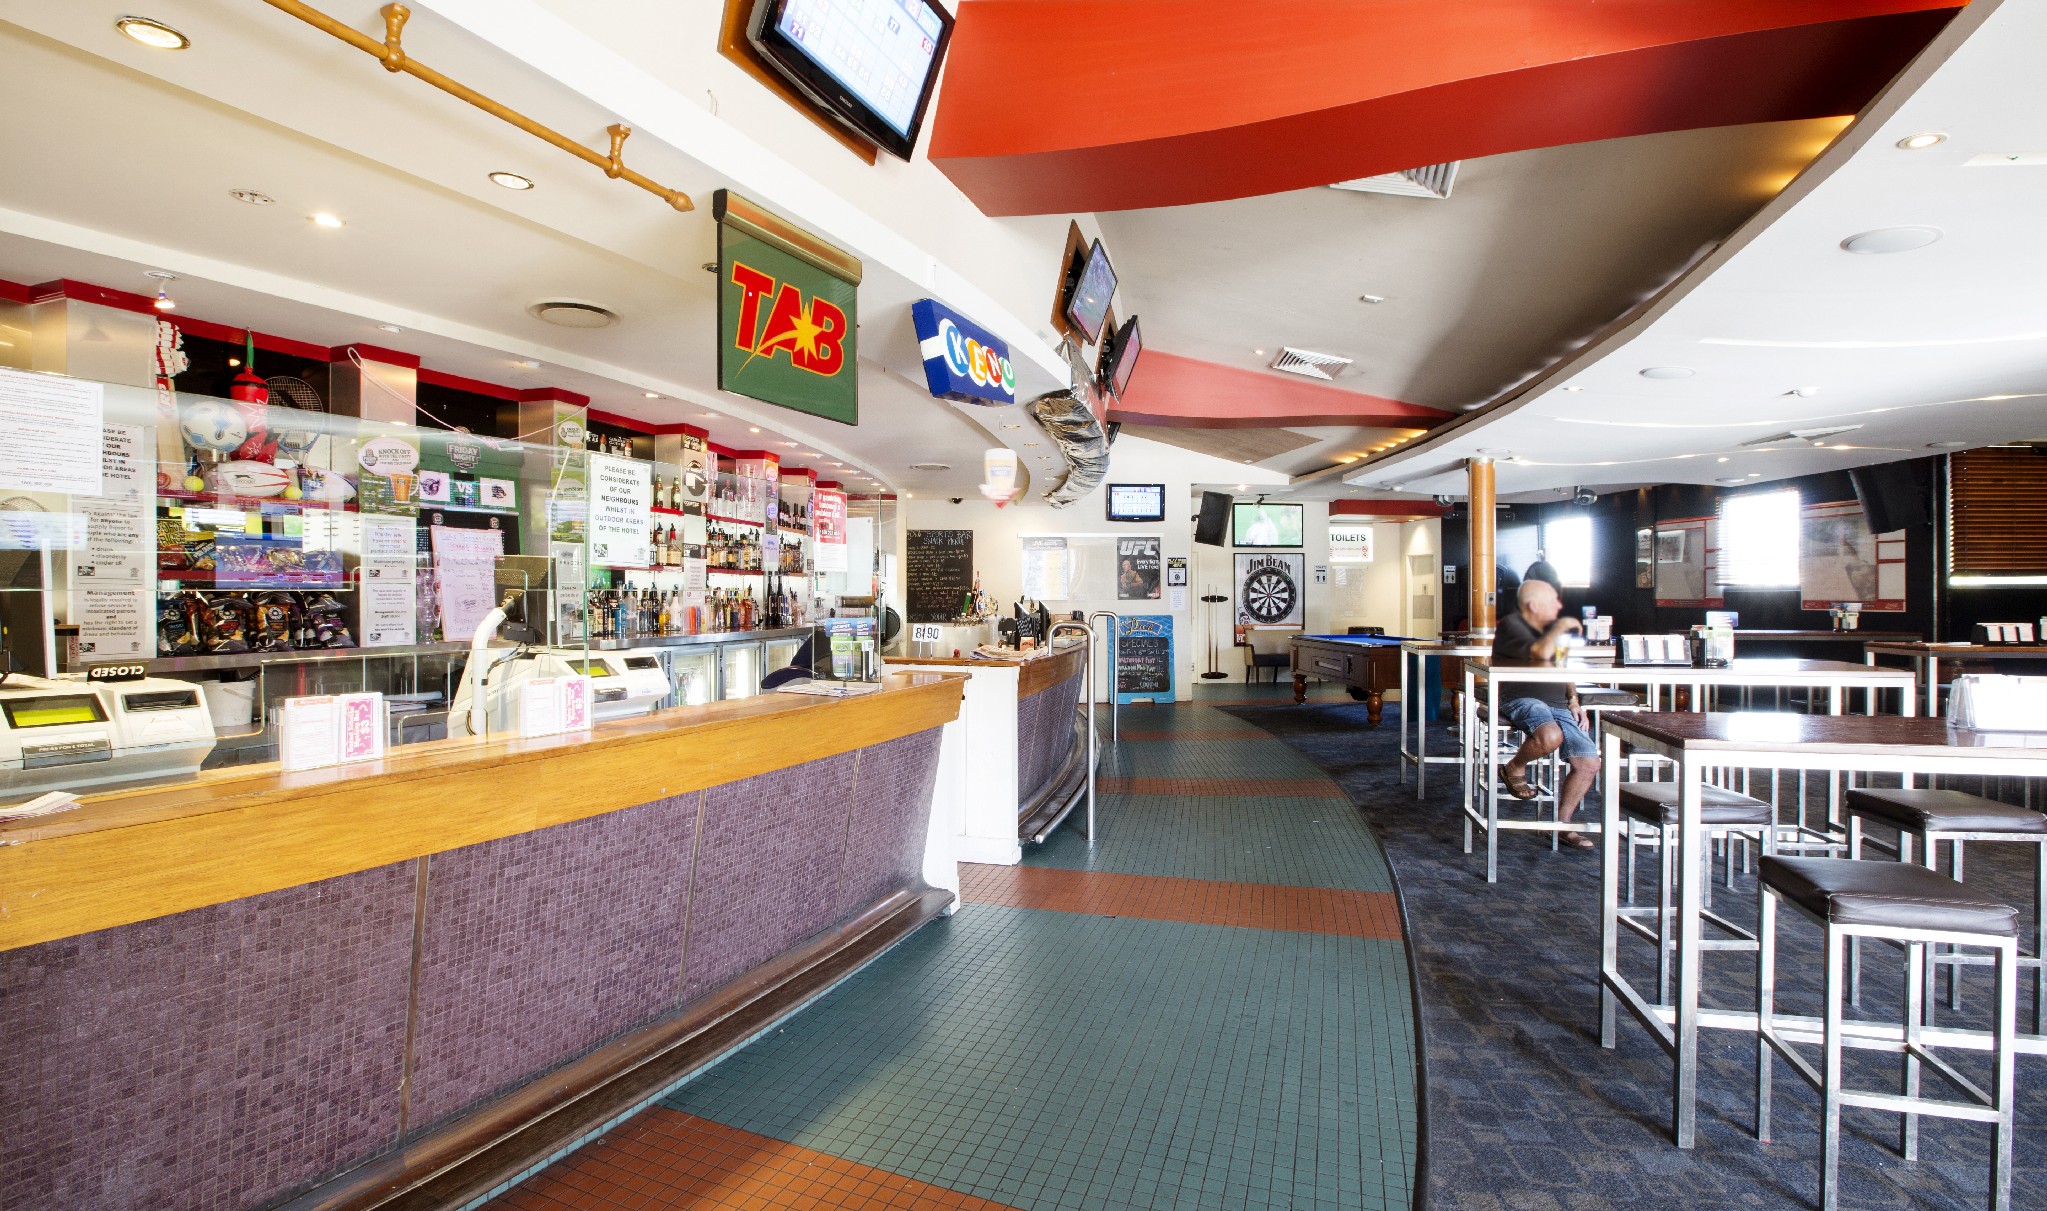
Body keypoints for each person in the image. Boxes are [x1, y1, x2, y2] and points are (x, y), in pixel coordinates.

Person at [1490, 579, 1601, 849]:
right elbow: (1539, 652)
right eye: (1552, 601)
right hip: (1521, 698)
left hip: (1559, 703)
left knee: (1589, 763)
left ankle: (1561, 825)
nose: (1559, 606)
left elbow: (1564, 665)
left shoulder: (1553, 629)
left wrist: (1573, 700)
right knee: (1550, 735)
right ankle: (1514, 766)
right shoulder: (1511, 626)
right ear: (1533, 605)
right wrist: (1561, 627)